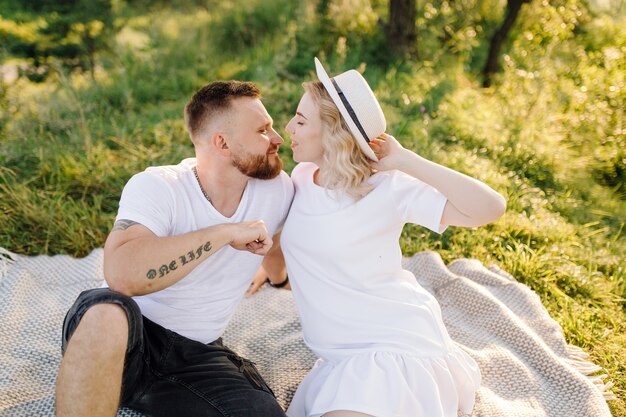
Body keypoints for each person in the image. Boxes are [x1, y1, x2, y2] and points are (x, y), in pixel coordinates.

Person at [280, 58, 506, 417]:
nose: (288, 126)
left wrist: (407, 160)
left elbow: (489, 208)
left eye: (301, 120)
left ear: (334, 133)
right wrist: (271, 271)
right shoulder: (301, 177)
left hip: (394, 345)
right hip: (340, 356)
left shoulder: (386, 187)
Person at [55, 80, 294, 417]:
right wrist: (224, 233)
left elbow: (276, 242)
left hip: (197, 358)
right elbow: (122, 275)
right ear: (222, 143)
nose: (277, 138)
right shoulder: (158, 186)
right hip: (127, 337)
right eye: (263, 130)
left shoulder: (278, 191)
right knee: (105, 310)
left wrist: (277, 278)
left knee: (262, 412)